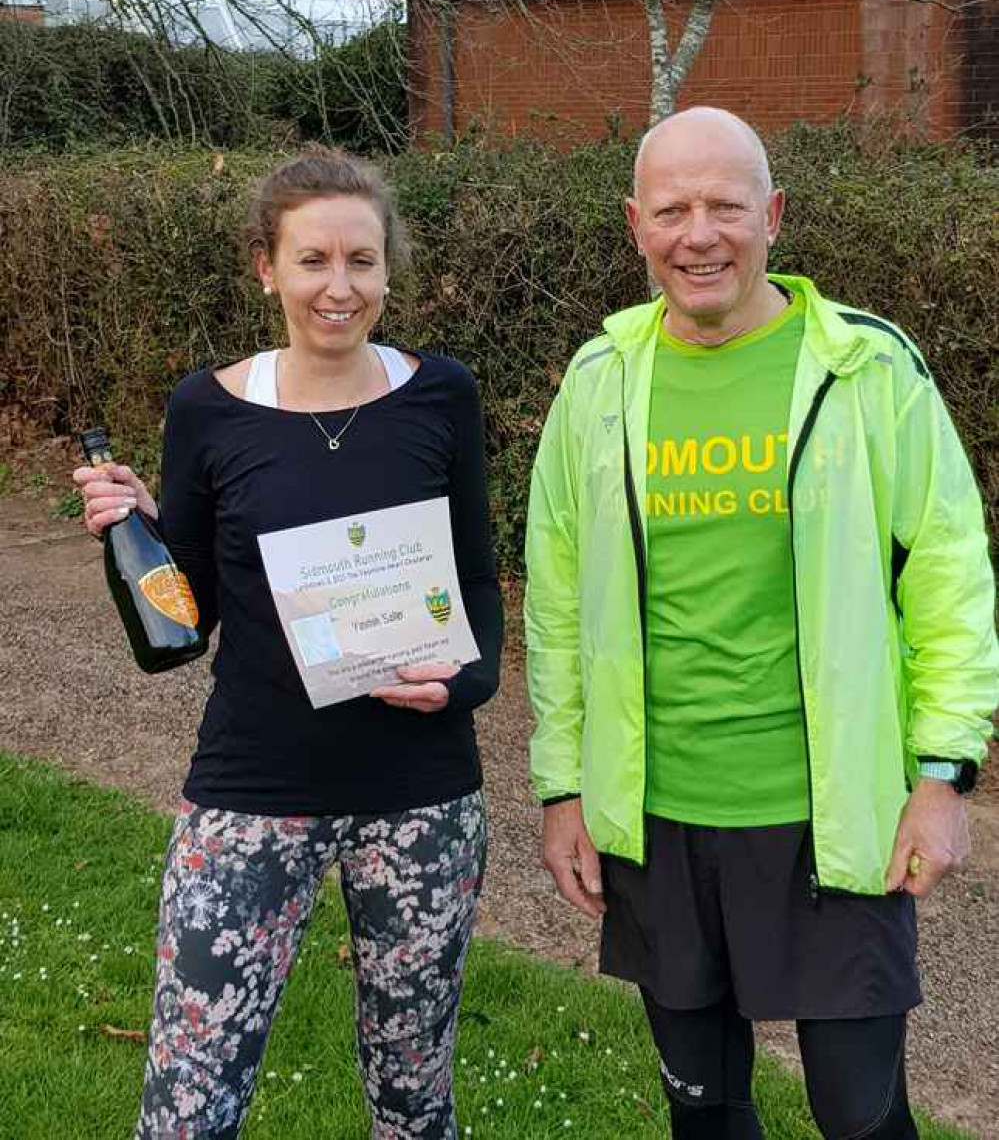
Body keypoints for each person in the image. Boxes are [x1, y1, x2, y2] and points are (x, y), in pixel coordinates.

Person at [525, 107, 997, 1139]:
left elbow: (951, 578)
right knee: (705, 1109)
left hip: (835, 817)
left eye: (726, 206)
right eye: (673, 209)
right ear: (635, 225)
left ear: (773, 215)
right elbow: (555, 600)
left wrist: (942, 775)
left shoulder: (867, 368)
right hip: (659, 816)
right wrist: (564, 788)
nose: (700, 234)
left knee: (860, 1115)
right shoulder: (599, 383)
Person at [73, 148, 503, 1139]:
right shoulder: (208, 407)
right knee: (191, 1091)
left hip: (422, 797)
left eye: (361, 260)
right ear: (267, 268)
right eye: (312, 261)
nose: (339, 287)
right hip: (253, 790)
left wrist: (466, 684)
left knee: (414, 1093)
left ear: (389, 266)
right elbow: (179, 632)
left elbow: (477, 583)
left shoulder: (444, 395)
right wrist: (135, 535)